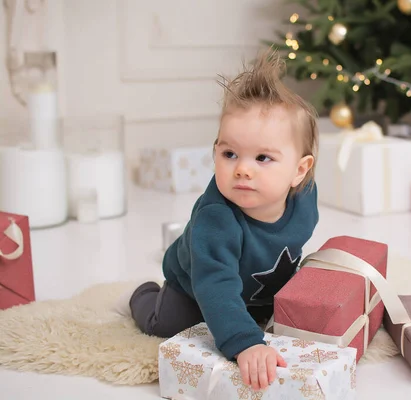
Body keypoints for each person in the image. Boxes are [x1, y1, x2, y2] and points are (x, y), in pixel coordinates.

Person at [127, 49, 319, 391]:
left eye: (263, 158)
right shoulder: (217, 219)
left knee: (267, 312)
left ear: (299, 170)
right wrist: (245, 342)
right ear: (215, 150)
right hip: (195, 282)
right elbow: (215, 285)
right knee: (170, 323)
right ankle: (143, 296)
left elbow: (293, 246)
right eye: (229, 154)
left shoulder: (304, 197)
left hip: (255, 284)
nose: (242, 168)